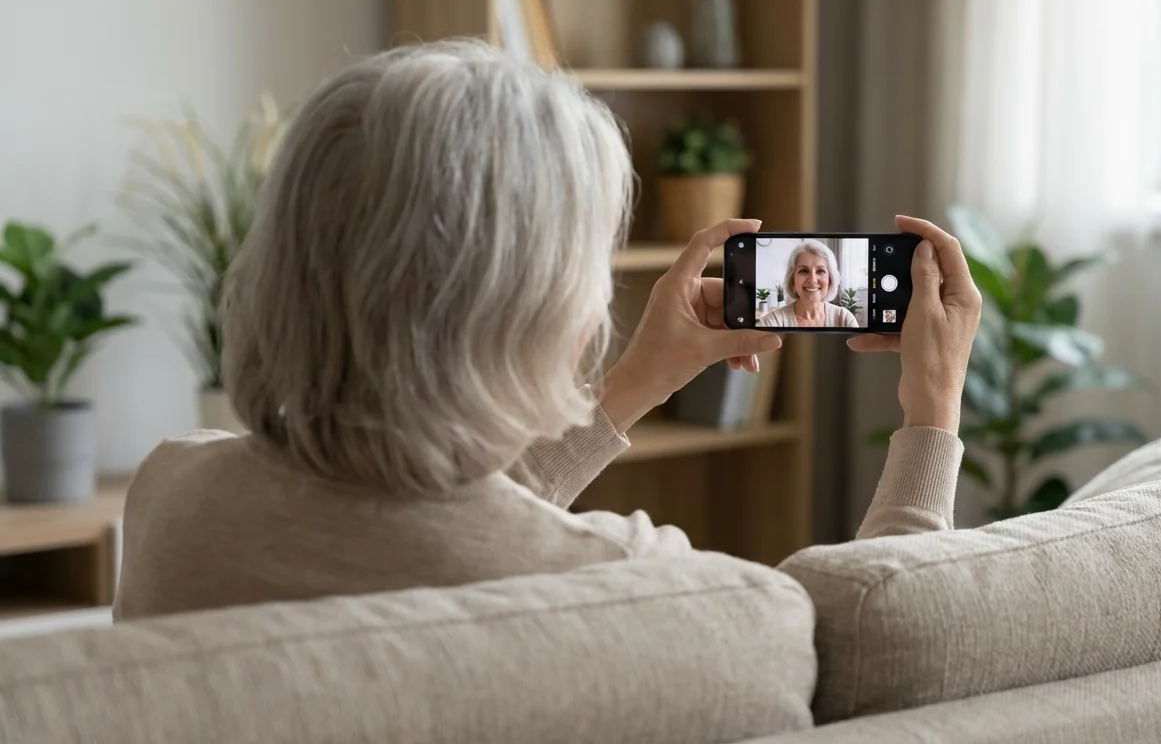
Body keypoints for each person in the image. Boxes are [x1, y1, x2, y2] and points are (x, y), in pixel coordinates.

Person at [113, 40, 980, 621]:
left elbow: (421, 523)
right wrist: (932, 412)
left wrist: (636, 384)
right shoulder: (630, 586)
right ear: (536, 304)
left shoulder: (172, 500)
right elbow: (875, 655)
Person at [757, 239, 860, 329]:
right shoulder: (772, 322)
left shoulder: (844, 318)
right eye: (804, 271)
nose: (812, 280)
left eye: (820, 271)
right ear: (793, 279)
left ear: (830, 279)